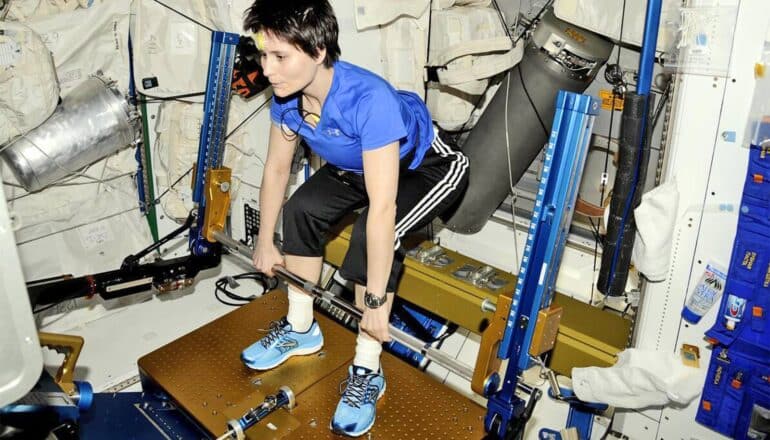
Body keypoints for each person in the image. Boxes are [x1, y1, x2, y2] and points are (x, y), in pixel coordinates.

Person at [240, 0, 469, 436]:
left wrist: (377, 304)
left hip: (428, 168)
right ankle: (301, 326)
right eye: (264, 55)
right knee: (301, 209)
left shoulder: (368, 100)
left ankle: (367, 369)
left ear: (318, 51)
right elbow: (275, 169)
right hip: (361, 165)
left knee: (369, 234)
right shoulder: (287, 100)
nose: (268, 69)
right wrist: (265, 240)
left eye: (280, 57)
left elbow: (382, 210)